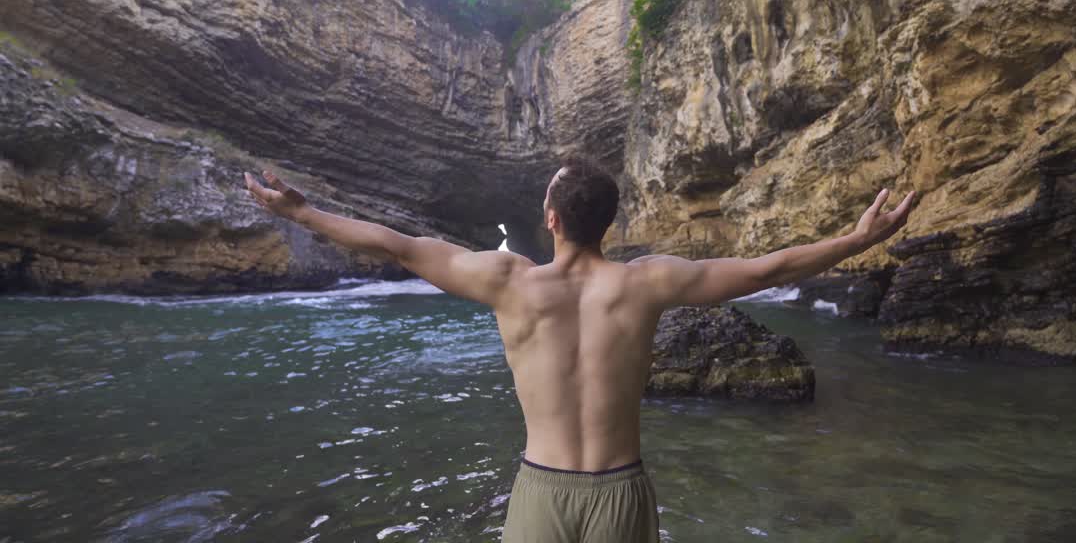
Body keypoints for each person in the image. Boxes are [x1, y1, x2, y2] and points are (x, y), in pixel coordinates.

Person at [243, 158, 917, 543]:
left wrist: (301, 213)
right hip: (620, 489)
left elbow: (396, 246)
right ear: (609, 223)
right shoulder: (647, 282)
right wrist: (856, 240)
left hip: (541, 487)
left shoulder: (508, 283)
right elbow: (767, 269)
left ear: (551, 218)